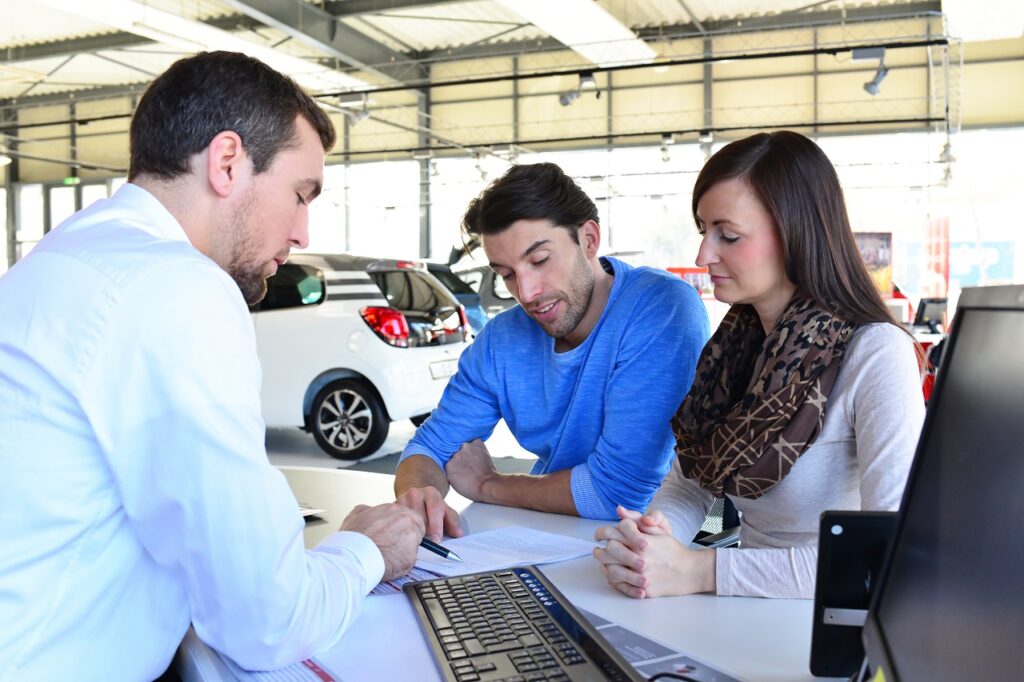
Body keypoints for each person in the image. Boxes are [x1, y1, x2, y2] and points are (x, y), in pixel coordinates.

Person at [0, 52, 424, 680]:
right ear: (228, 162)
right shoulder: (177, 285)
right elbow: (266, 620)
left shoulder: (61, 257)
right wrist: (367, 550)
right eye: (300, 194)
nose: (303, 231)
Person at [593, 131, 926, 600]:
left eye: (728, 235)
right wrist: (654, 539)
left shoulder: (875, 354)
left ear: (795, 234)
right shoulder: (734, 347)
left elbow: (883, 554)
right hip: (738, 602)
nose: (703, 256)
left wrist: (701, 571)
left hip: (817, 616)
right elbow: (697, 489)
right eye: (705, 232)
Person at [395, 163, 710, 541]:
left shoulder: (660, 308)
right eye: (506, 274)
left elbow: (621, 492)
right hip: (554, 536)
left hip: (662, 547)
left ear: (589, 239)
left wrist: (488, 485)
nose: (526, 293)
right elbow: (430, 446)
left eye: (540, 260)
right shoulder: (502, 339)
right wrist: (420, 499)